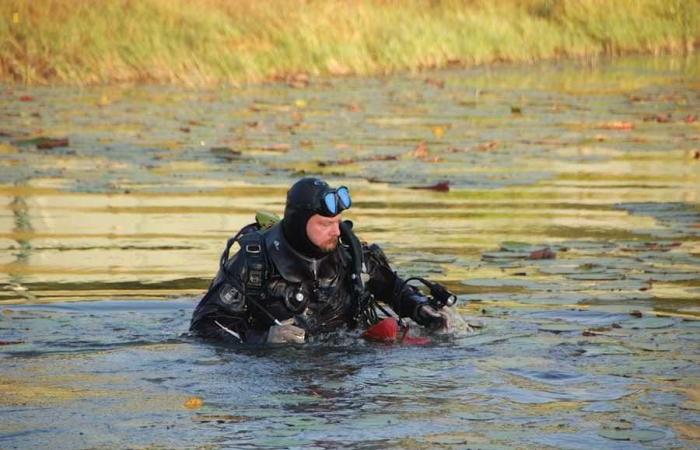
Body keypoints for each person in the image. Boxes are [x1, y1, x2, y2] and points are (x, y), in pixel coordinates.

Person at [190, 177, 454, 344]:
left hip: (344, 364)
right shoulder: (255, 262)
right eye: (326, 224)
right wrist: (261, 338)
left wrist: (421, 308)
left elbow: (394, 289)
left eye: (338, 223)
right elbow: (205, 324)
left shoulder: (351, 256)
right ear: (298, 221)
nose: (337, 232)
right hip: (280, 380)